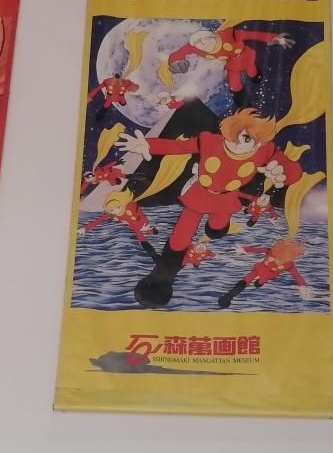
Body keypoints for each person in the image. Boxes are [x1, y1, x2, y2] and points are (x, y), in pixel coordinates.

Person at [116, 108, 302, 307]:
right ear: (231, 130)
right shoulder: (209, 141)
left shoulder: (265, 151)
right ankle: (160, 280)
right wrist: (148, 145)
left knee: (216, 229)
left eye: (257, 141)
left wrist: (284, 173)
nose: (249, 145)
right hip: (199, 195)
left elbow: (293, 171)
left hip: (226, 201)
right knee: (180, 237)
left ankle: (214, 231)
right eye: (246, 137)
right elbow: (179, 146)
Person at [218, 240, 313, 308]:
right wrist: (244, 249)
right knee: (247, 279)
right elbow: (257, 250)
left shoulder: (289, 265)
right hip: (260, 268)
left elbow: (297, 276)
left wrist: (302, 286)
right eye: (274, 256)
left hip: (270, 274)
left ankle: (259, 282)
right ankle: (229, 296)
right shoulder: (270, 251)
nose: (274, 259)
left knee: (259, 283)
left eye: (279, 259)